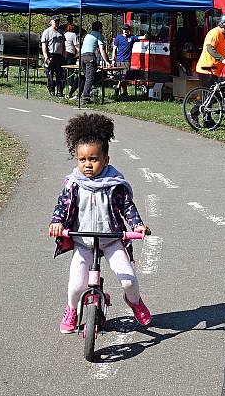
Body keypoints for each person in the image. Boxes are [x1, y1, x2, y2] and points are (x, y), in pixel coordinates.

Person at [48, 113, 152, 333]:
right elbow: (62, 205)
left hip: (112, 240)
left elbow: (127, 207)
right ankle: (71, 309)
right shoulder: (73, 184)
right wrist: (57, 222)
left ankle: (134, 302)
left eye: (93, 159)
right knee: (76, 285)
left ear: (106, 159)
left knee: (129, 281)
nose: (87, 165)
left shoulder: (115, 183)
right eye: (82, 159)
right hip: (84, 241)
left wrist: (137, 226)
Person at [194, 14, 225, 88]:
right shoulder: (214, 33)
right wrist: (223, 60)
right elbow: (209, 48)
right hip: (207, 70)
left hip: (215, 70)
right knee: (211, 95)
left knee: (219, 94)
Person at [111, 23, 147, 98]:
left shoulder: (132, 37)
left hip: (127, 60)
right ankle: (120, 89)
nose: (125, 31)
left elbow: (142, 37)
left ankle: (121, 90)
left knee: (124, 77)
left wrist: (147, 34)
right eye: (124, 29)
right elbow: (114, 49)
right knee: (122, 77)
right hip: (119, 60)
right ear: (122, 30)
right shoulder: (118, 38)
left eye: (126, 29)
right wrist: (113, 59)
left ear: (129, 30)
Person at [79, 20, 111, 103]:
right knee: (90, 78)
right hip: (90, 57)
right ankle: (85, 97)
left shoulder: (88, 35)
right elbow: (102, 50)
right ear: (100, 28)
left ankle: (94, 93)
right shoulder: (99, 35)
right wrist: (107, 62)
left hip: (82, 56)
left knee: (88, 77)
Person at [41, 16, 66, 97]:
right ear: (51, 22)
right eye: (55, 21)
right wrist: (46, 56)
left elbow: (64, 45)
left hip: (59, 56)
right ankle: (51, 89)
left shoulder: (61, 32)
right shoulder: (47, 32)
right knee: (50, 74)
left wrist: (64, 55)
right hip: (50, 55)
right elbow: (44, 45)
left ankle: (60, 90)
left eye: (58, 22)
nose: (57, 23)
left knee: (60, 75)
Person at [63, 21, 80, 99]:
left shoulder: (64, 34)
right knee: (71, 70)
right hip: (70, 54)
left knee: (64, 70)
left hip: (64, 54)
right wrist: (79, 53)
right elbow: (76, 46)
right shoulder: (73, 35)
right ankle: (71, 86)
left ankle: (63, 86)